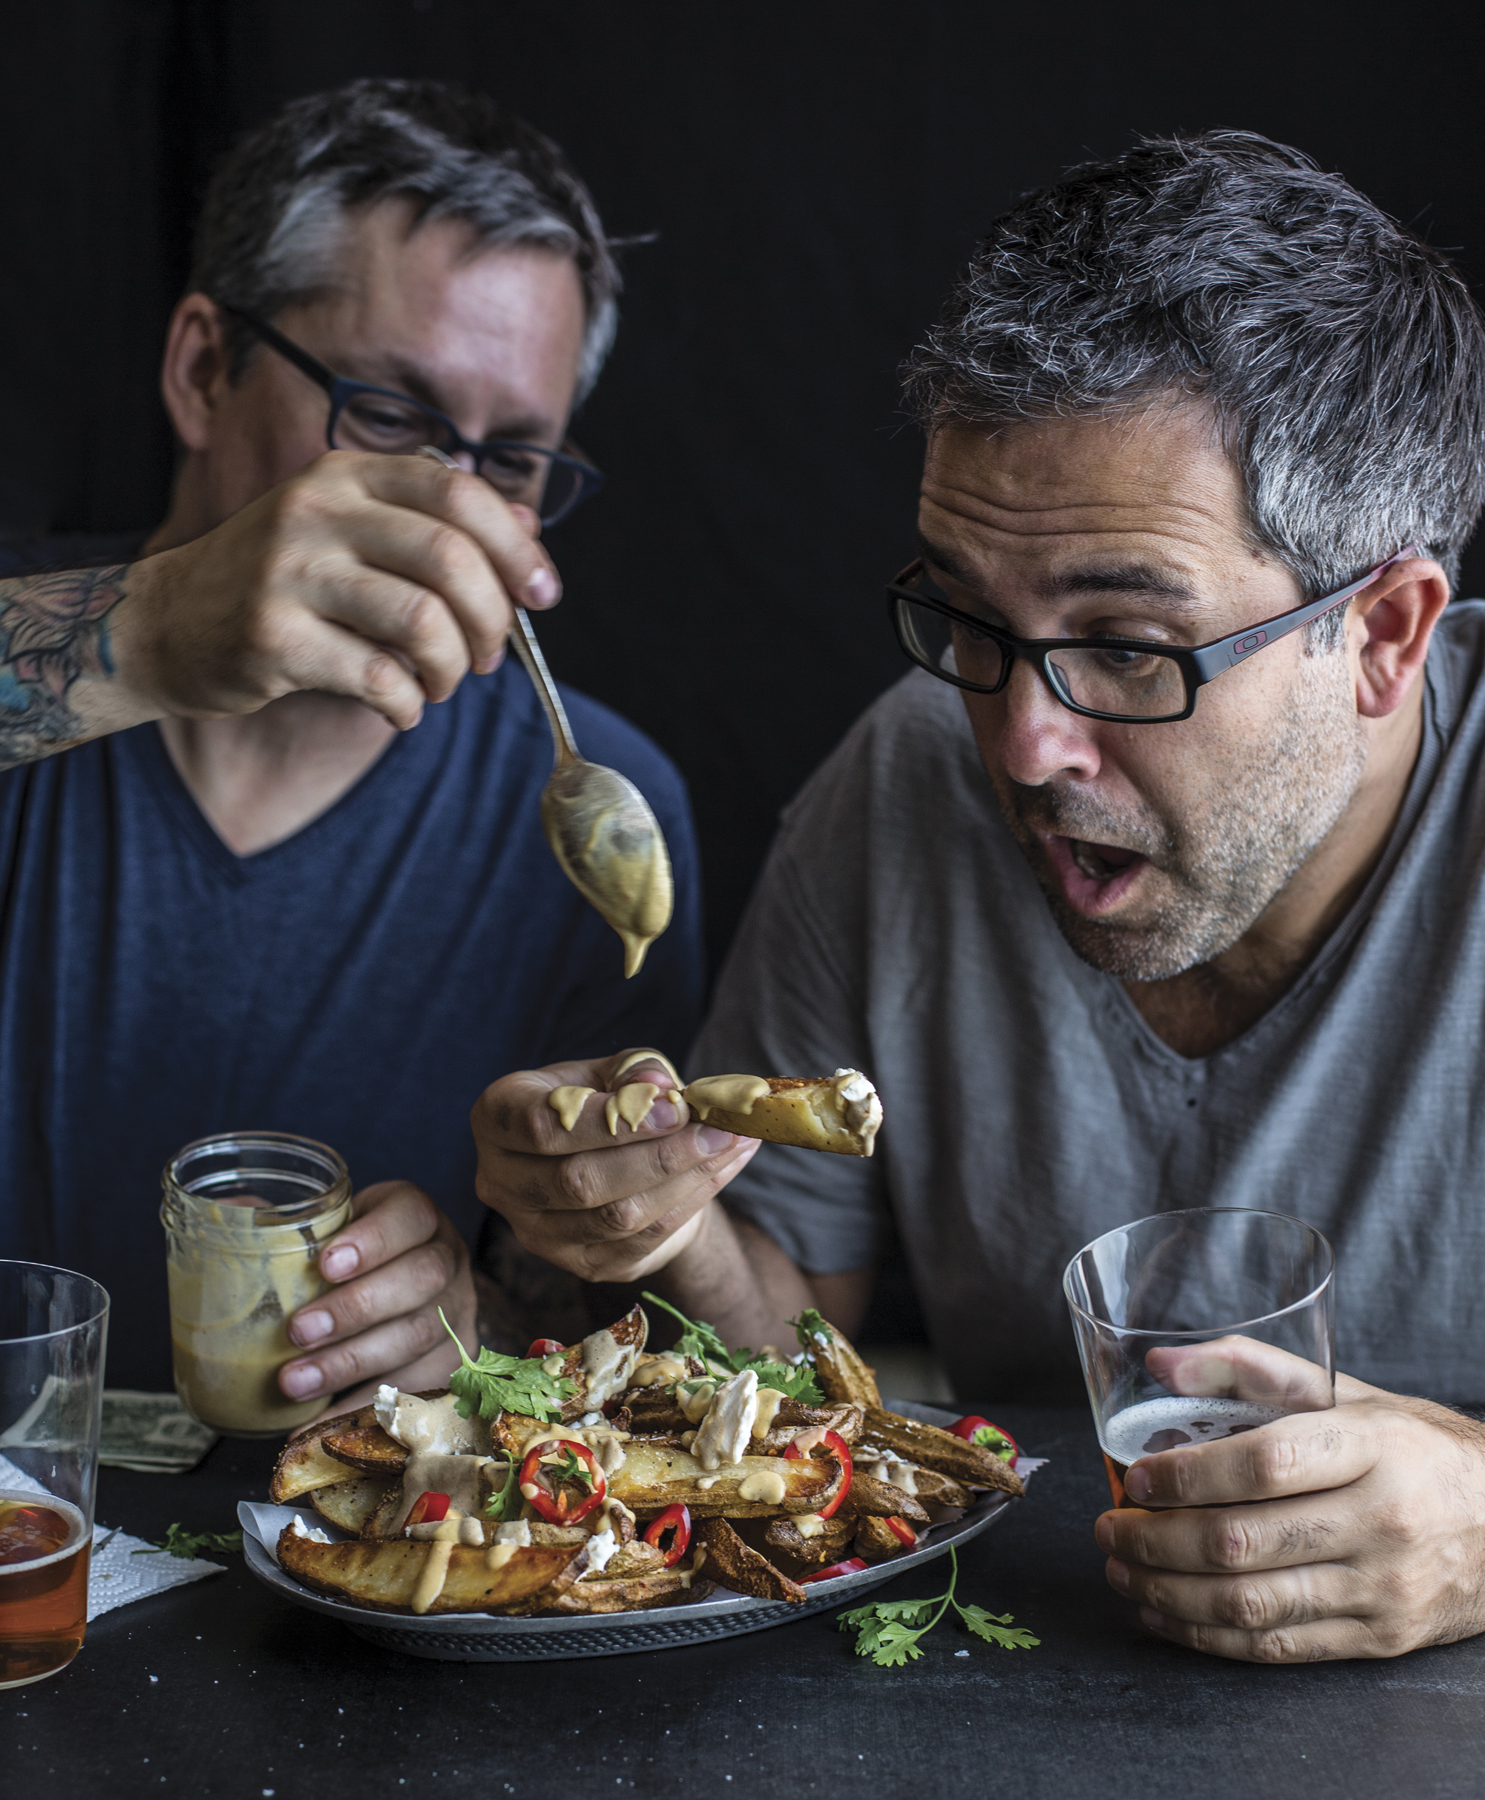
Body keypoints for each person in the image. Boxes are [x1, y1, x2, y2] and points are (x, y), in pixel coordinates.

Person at [470, 132, 1485, 1662]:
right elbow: (798, 1378)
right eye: (964, 617)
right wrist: (654, 1234)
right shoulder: (900, 785)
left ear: (1387, 636)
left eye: (1130, 646)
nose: (1019, 743)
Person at [0, 79, 702, 1401]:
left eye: (512, 460)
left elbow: (589, 1328)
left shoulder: (586, 814)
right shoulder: (29, 638)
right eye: (388, 412)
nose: (449, 505)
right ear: (203, 369)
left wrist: (471, 1321)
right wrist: (141, 637)